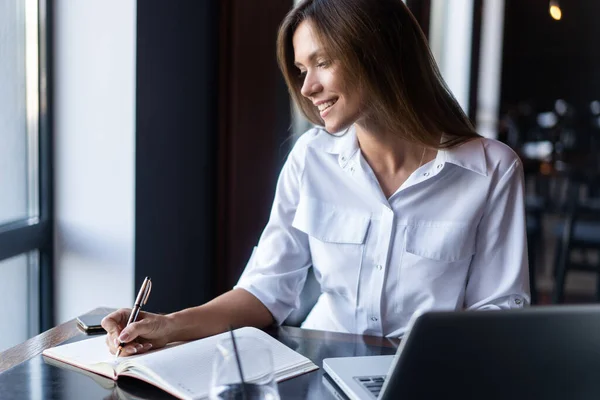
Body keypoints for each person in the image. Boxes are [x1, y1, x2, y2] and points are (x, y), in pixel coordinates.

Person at [102, 0, 530, 356]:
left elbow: (497, 315)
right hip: (317, 370)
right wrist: (167, 325)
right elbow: (266, 289)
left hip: (429, 377)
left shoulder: (491, 171)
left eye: (321, 63)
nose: (307, 88)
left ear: (378, 52)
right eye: (301, 70)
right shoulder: (310, 159)